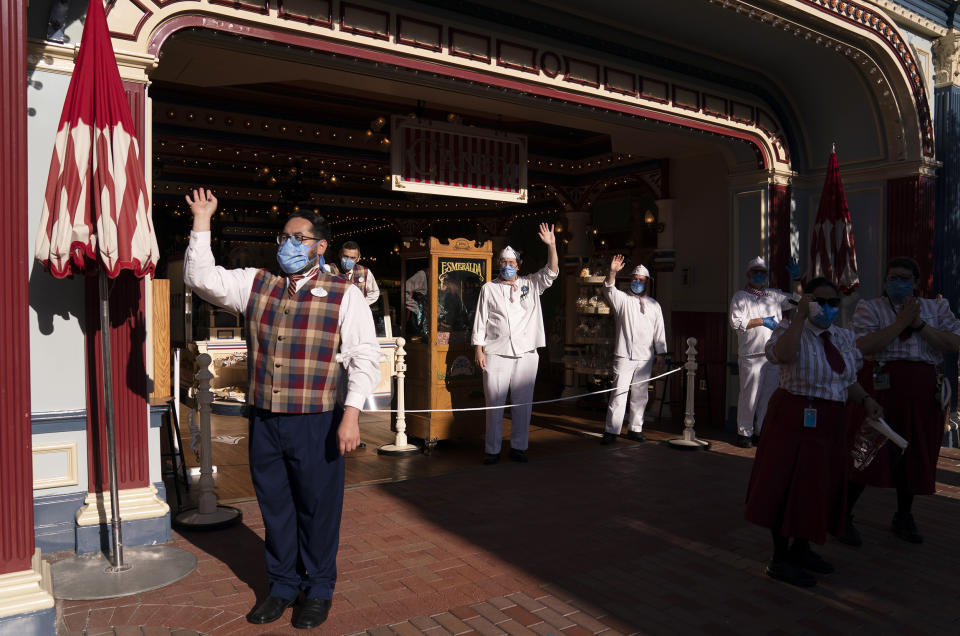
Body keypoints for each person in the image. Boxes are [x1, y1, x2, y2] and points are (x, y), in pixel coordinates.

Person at [182, 189, 381, 630]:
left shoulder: (344, 294)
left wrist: (351, 415)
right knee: (275, 506)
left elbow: (364, 356)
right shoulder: (257, 283)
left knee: (318, 508)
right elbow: (201, 278)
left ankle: (319, 588)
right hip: (266, 418)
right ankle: (283, 586)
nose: (287, 245)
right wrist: (202, 222)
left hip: (317, 420)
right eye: (284, 237)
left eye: (298, 238)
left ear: (319, 246)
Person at [744, 277, 882, 588]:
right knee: (786, 484)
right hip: (794, 415)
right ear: (807, 300)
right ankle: (779, 558)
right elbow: (785, 355)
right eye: (822, 301)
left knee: (818, 486)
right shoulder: (788, 330)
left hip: (831, 419)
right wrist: (801, 317)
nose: (829, 308)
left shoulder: (843, 338)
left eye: (834, 303)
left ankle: (801, 548)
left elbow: (846, 379)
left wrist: (866, 399)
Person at [842, 257, 960, 546]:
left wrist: (919, 325)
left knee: (914, 453)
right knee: (866, 449)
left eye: (905, 278)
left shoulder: (936, 308)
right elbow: (863, 345)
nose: (898, 283)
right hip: (881, 388)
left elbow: (953, 343)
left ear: (916, 283)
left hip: (922, 391)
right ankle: (842, 513)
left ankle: (903, 515)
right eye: (893, 277)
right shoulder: (870, 307)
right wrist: (900, 324)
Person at [472, 223, 558, 464]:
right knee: (494, 404)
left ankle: (519, 447)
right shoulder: (488, 288)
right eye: (504, 263)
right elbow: (481, 320)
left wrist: (551, 245)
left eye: (512, 263)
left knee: (523, 403)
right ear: (499, 264)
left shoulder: (531, 285)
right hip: (496, 352)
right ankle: (492, 449)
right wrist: (479, 349)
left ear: (518, 266)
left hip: (526, 352)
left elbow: (552, 271)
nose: (507, 267)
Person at [729, 256, 803, 448]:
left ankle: (762, 431)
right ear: (748, 274)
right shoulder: (740, 297)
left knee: (768, 396)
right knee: (749, 396)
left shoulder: (774, 295)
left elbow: (798, 300)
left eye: (762, 273)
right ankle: (744, 433)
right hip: (751, 355)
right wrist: (762, 321)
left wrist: (797, 280)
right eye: (756, 272)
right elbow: (736, 323)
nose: (759, 276)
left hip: (773, 355)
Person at [600, 255, 666, 444]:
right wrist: (612, 272)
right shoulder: (622, 299)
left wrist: (661, 353)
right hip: (624, 355)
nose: (637, 282)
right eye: (635, 279)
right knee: (619, 394)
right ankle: (612, 430)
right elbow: (608, 289)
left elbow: (659, 330)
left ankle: (636, 428)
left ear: (647, 283)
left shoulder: (654, 305)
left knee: (640, 394)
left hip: (645, 357)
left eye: (641, 280)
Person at [329, 239, 380, 305]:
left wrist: (362, 304)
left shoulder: (365, 272)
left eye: (352, 258)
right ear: (340, 255)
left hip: (357, 313)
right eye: (345, 256)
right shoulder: (329, 269)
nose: (348, 260)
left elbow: (374, 292)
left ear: (358, 258)